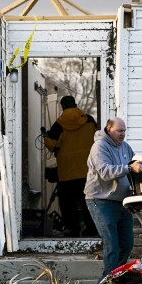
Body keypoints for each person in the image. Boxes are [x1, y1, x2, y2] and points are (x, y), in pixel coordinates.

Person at [84, 117, 142, 278]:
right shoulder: (99, 147)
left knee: (126, 244)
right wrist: (129, 168)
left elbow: (135, 167)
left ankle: (112, 280)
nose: (123, 134)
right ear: (109, 129)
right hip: (100, 201)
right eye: (119, 131)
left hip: (123, 202)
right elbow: (105, 172)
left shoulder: (125, 147)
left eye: (124, 131)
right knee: (112, 244)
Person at [43, 95, 99, 237]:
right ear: (75, 104)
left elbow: (51, 143)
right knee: (87, 201)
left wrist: (46, 137)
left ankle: (72, 229)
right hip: (87, 170)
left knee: (68, 203)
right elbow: (98, 138)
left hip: (67, 171)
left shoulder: (59, 124)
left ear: (63, 107)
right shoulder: (89, 120)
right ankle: (91, 229)